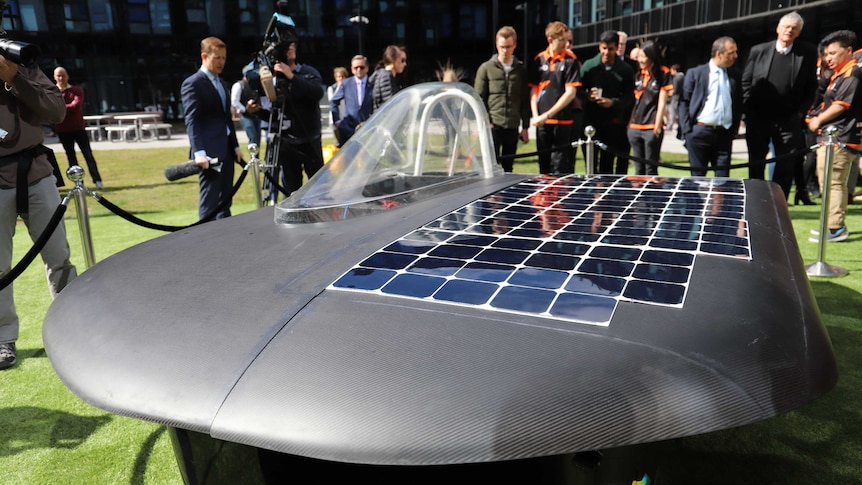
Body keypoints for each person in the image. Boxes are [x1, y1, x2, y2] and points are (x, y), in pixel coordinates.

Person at [0, 46, 78, 370]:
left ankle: (74, 327)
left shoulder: (23, 65)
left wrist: (14, 78)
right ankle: (3, 339)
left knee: (58, 256)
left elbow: (57, 111)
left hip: (36, 173)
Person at [742, 11, 818, 203]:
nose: (789, 31)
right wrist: (748, 111)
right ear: (778, 28)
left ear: (799, 32)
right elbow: (746, 82)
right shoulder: (759, 51)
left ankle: (777, 203)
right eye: (786, 26)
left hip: (788, 119)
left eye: (794, 28)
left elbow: (811, 87)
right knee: (756, 161)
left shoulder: (807, 52)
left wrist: (800, 112)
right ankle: (755, 200)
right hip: (758, 118)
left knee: (786, 163)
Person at [806, 29, 862, 242]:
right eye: (826, 54)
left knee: (834, 182)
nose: (828, 58)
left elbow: (841, 104)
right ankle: (829, 225)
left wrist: (818, 120)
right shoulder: (839, 74)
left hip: (840, 138)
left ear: (849, 51)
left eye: (833, 53)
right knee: (829, 182)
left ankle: (835, 228)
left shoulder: (852, 73)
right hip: (833, 138)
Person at [180, 36, 242, 220]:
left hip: (227, 152)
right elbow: (192, 121)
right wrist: (199, 152)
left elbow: (226, 119)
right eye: (217, 58)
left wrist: (236, 146)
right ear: (204, 56)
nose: (221, 62)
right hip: (209, 154)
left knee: (225, 202)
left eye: (224, 58)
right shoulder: (193, 84)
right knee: (209, 204)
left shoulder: (223, 84)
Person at [679, 36, 742, 178]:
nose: (735, 56)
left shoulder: (735, 75)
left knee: (723, 180)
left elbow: (738, 103)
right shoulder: (696, 73)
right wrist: (687, 130)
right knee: (698, 180)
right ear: (719, 54)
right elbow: (683, 102)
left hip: (724, 134)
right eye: (731, 53)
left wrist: (734, 129)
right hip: (699, 133)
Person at [270, 41, 324, 196]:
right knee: (291, 192)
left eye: (294, 45)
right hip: (288, 143)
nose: (291, 48)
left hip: (310, 140)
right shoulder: (275, 79)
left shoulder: (308, 72)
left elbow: (317, 93)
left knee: (319, 189)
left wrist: (292, 77)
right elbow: (274, 114)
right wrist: (256, 111)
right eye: (287, 46)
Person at [474, 26, 530, 172]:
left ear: (515, 45)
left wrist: (525, 127)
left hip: (512, 125)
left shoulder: (521, 70)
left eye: (508, 47)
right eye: (502, 47)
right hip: (493, 125)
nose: (505, 51)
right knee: (490, 166)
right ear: (496, 45)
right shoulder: (486, 68)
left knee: (508, 167)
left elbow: (524, 99)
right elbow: (479, 98)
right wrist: (486, 121)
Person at [579, 29, 635, 174]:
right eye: (604, 48)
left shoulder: (625, 70)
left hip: (612, 124)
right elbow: (577, 90)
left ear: (617, 48)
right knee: (590, 165)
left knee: (607, 166)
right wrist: (587, 96)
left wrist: (613, 102)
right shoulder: (589, 66)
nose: (606, 53)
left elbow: (629, 97)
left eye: (610, 49)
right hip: (590, 121)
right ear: (599, 47)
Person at [529, 21, 581, 175]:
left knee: (560, 168)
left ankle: (561, 198)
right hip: (542, 123)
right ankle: (544, 199)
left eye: (568, 40)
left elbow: (570, 93)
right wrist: (536, 115)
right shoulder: (539, 59)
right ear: (550, 40)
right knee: (543, 167)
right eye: (563, 40)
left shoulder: (571, 60)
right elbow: (534, 90)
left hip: (562, 121)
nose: (566, 43)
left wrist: (547, 114)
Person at [53, 66, 103, 189]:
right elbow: (52, 108)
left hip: (78, 128)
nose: (61, 78)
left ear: (67, 76)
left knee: (88, 155)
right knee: (71, 157)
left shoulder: (76, 90)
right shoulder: (53, 92)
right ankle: (78, 183)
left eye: (63, 75)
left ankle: (97, 180)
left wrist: (61, 108)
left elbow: (76, 106)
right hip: (63, 130)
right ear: (54, 77)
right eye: (58, 75)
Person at [627, 41, 672, 176]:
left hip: (651, 128)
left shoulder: (663, 73)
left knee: (651, 169)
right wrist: (629, 126)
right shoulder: (638, 74)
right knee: (638, 170)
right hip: (634, 127)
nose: (639, 60)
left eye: (643, 56)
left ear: (651, 56)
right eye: (638, 56)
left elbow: (662, 102)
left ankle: (651, 196)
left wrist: (657, 127)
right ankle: (638, 196)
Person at [330, 55, 373, 146]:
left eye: (361, 67)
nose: (359, 70)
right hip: (348, 129)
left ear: (367, 68)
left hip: (369, 128)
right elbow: (334, 101)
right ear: (352, 69)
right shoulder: (346, 83)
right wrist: (337, 121)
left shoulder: (373, 83)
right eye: (356, 67)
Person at [230, 72, 266, 147]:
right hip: (245, 115)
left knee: (258, 139)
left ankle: (256, 158)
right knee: (253, 137)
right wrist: (245, 109)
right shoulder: (239, 85)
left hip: (257, 115)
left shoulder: (256, 85)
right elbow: (234, 101)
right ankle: (253, 156)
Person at [369, 45, 407, 113]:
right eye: (402, 60)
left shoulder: (386, 76)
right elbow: (390, 106)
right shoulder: (386, 77)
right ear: (393, 60)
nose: (405, 64)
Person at [667, 64, 684, 134]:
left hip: (675, 97)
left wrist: (668, 93)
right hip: (681, 96)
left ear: (675, 70)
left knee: (672, 112)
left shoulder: (676, 78)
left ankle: (670, 125)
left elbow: (675, 89)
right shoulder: (683, 76)